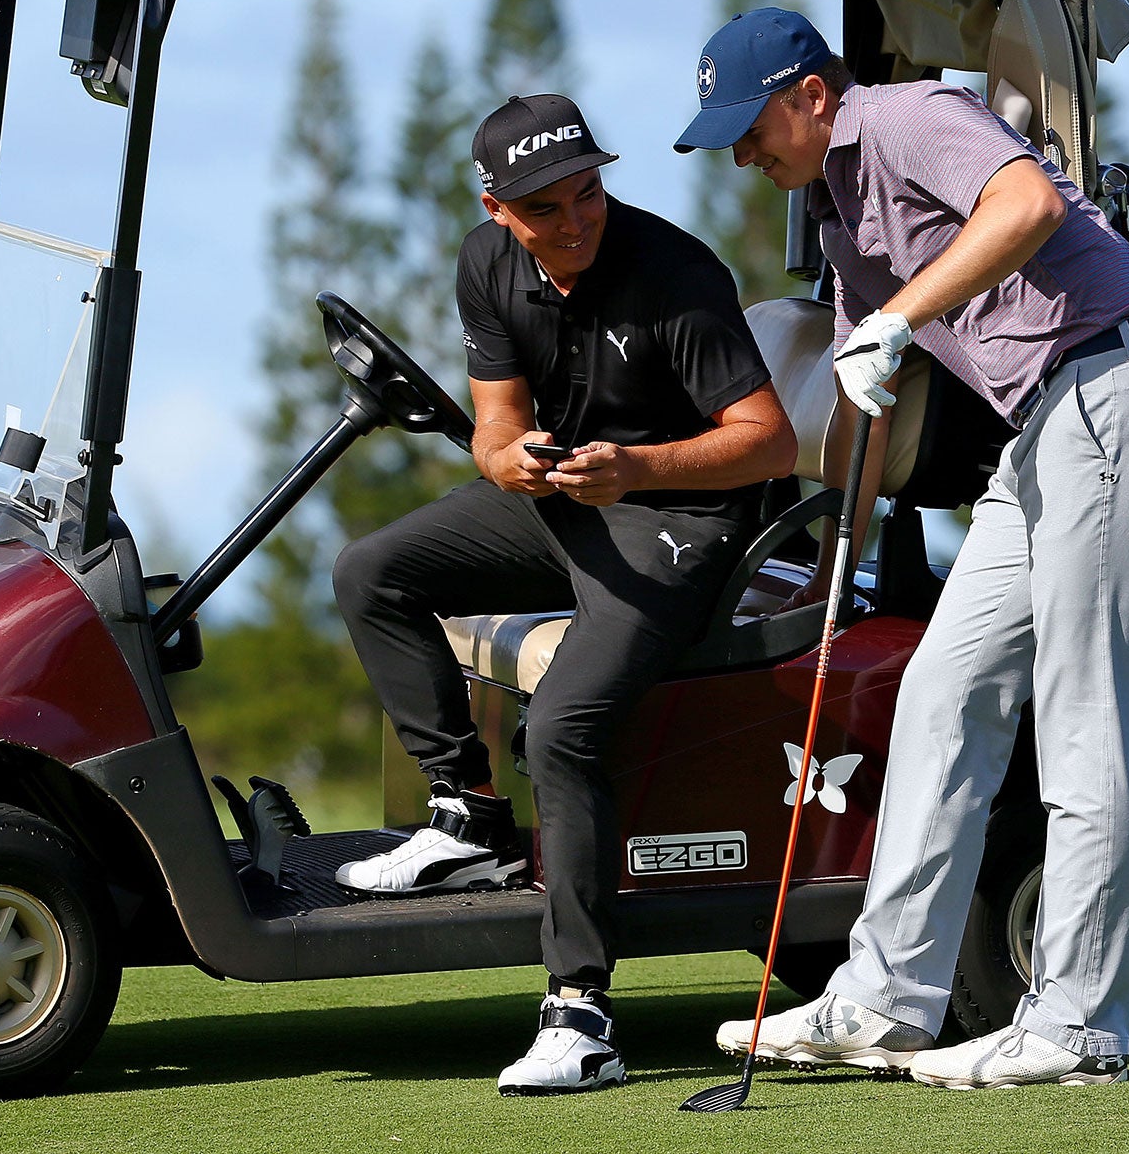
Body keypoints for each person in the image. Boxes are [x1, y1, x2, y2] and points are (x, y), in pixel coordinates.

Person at [674, 8, 1129, 1089]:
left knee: (1082, 718)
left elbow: (1024, 203)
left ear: (809, 95)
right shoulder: (835, 216)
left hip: (1114, 392)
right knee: (941, 691)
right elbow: (857, 406)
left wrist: (896, 318)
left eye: (749, 125)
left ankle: (1075, 1022)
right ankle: (883, 1000)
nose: (740, 151)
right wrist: (824, 548)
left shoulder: (906, 116)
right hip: (1040, 434)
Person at [331, 92, 796, 1095]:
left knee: (564, 727)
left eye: (586, 191)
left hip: (687, 514)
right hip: (571, 497)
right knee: (371, 572)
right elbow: (493, 428)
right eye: (545, 207)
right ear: (498, 210)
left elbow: (768, 439)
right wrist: (511, 462)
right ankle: (467, 823)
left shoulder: (675, 271)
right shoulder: (483, 261)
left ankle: (580, 1018)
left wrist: (631, 469)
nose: (575, 219)